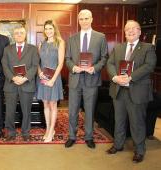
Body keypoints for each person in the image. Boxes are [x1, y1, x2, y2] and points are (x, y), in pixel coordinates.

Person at [106, 20, 156, 163]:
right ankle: (118, 144)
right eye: (128, 29)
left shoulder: (147, 48)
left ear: (140, 31)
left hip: (137, 91)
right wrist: (115, 77)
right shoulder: (118, 48)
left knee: (137, 123)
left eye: (134, 28)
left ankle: (139, 150)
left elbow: (149, 66)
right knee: (119, 121)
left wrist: (130, 77)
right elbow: (110, 63)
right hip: (119, 91)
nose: (131, 31)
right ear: (124, 32)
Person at [65, 9, 108, 148]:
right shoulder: (72, 38)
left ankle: (89, 137)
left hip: (92, 79)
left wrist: (94, 68)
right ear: (78, 21)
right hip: (75, 78)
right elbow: (67, 59)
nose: (84, 21)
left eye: (86, 18)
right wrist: (73, 67)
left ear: (91, 19)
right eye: (81, 19)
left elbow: (104, 57)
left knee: (89, 110)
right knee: (72, 111)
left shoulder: (100, 37)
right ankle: (72, 136)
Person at [2, 26, 39, 141]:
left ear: (25, 35)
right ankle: (11, 132)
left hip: (26, 84)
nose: (19, 35)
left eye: (21, 33)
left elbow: (35, 66)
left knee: (26, 110)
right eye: (16, 33)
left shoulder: (33, 49)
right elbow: (5, 66)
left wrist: (25, 78)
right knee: (10, 111)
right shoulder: (7, 49)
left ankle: (26, 132)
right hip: (11, 84)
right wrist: (13, 78)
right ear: (13, 35)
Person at [36, 20, 65, 142]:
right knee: (45, 104)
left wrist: (53, 80)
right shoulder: (41, 44)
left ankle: (52, 129)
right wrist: (39, 73)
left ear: (55, 29)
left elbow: (60, 63)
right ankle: (48, 129)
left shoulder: (60, 42)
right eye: (46, 28)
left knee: (53, 104)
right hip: (43, 79)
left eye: (50, 28)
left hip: (54, 78)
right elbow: (37, 62)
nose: (48, 31)